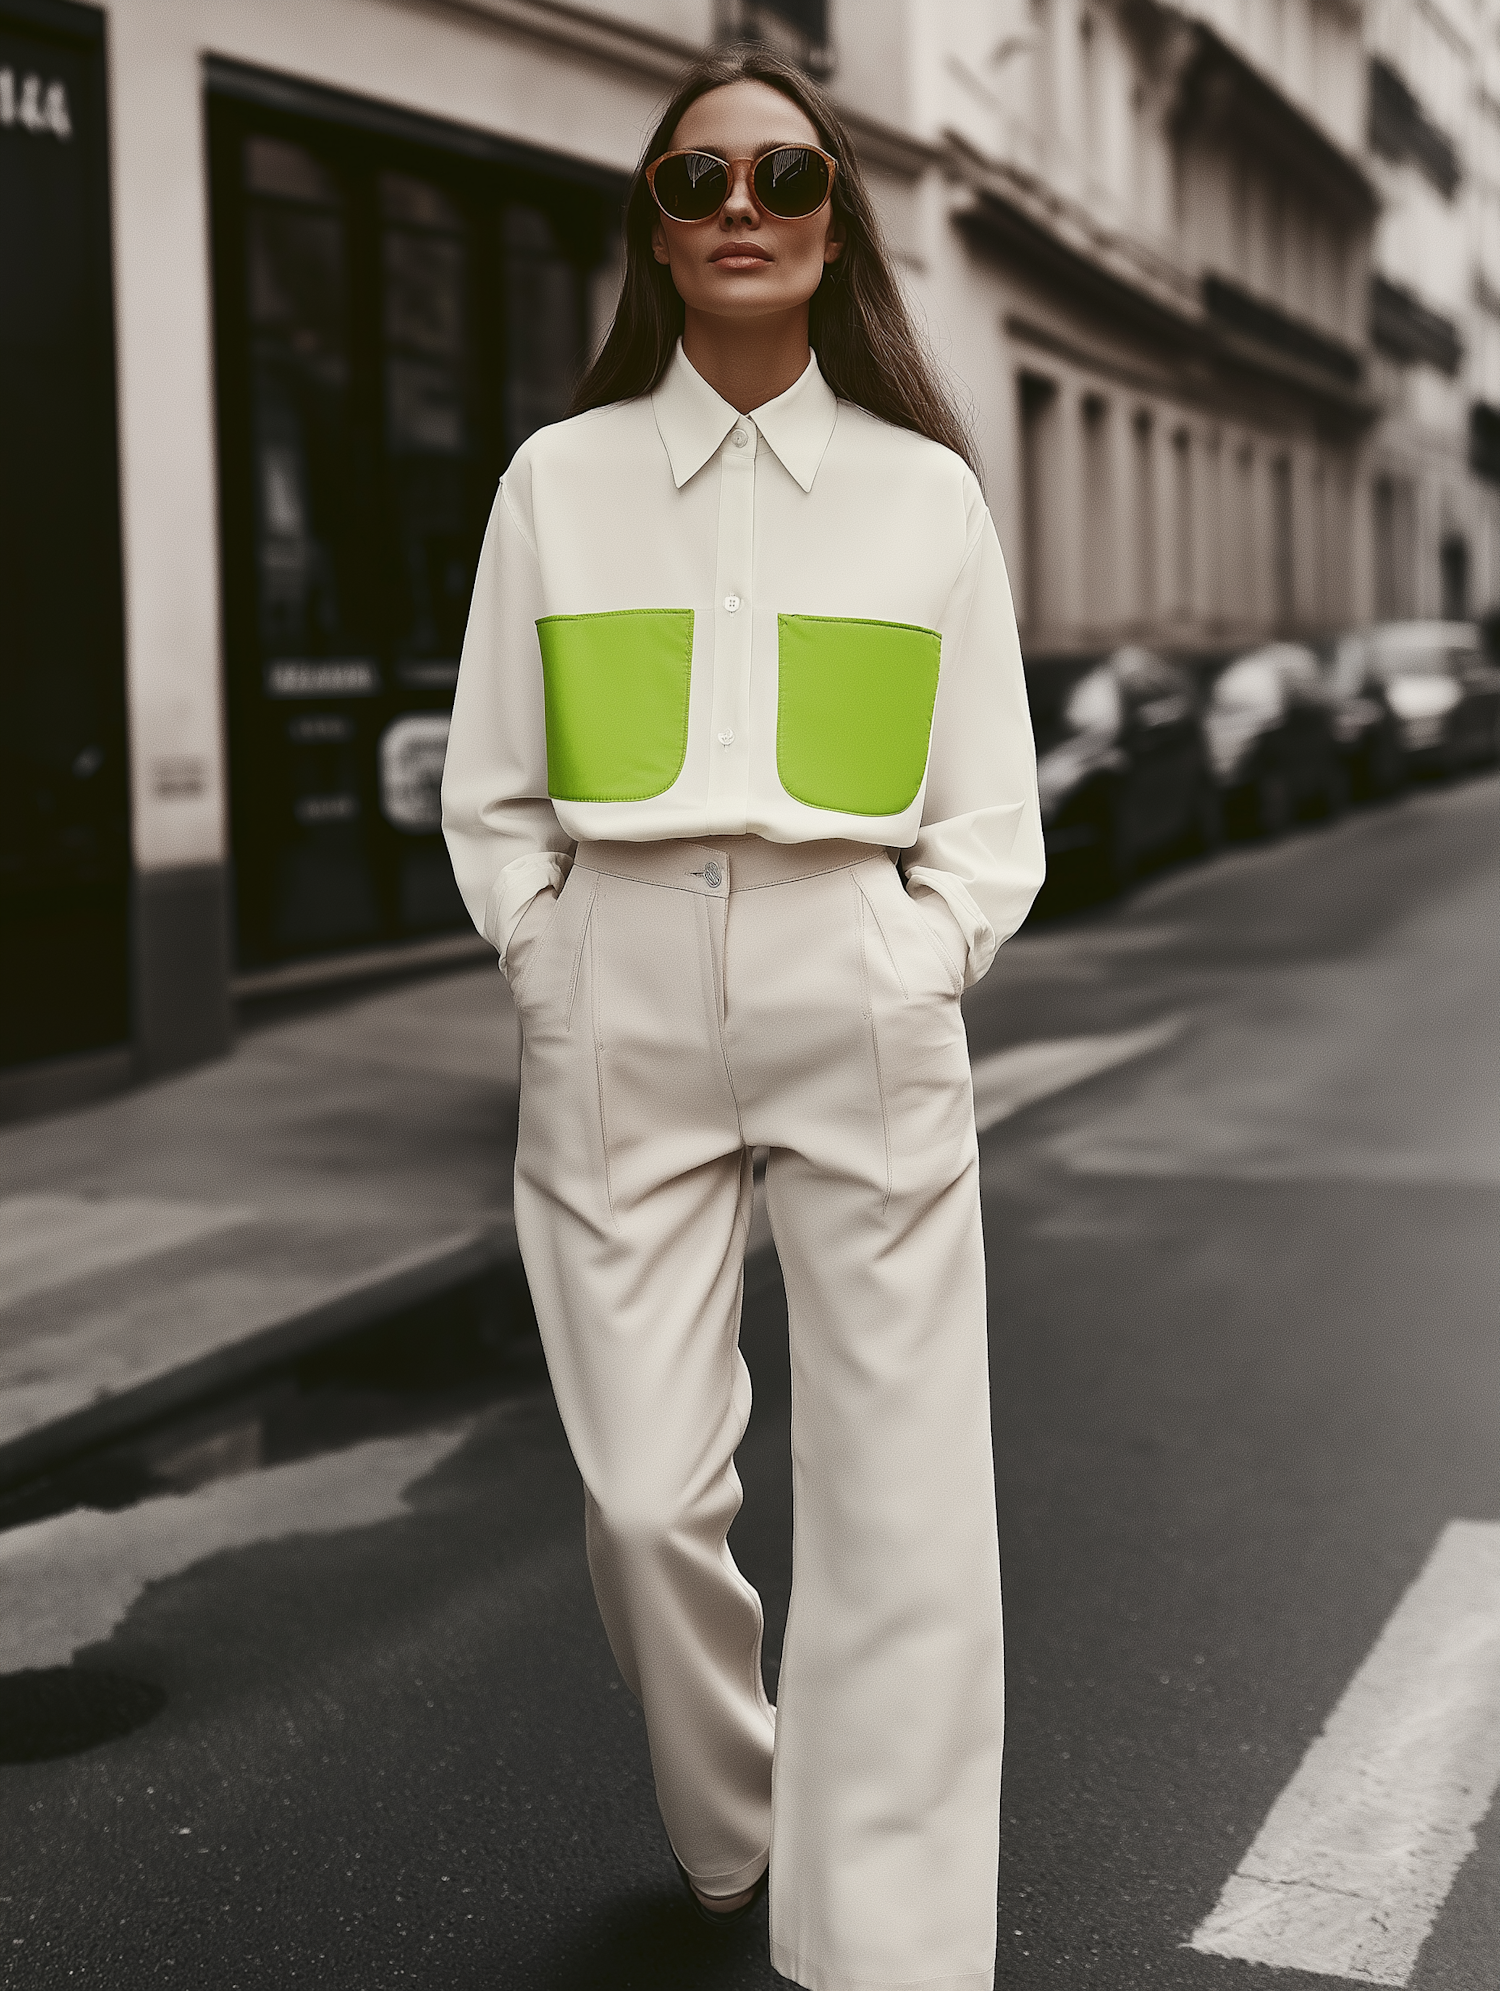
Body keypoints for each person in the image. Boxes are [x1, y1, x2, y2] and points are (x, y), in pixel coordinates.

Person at [442, 43, 1043, 1991]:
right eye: (698, 184)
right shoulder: (559, 481)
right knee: (637, 1497)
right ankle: (735, 1825)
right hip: (615, 986)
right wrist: (551, 958)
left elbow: (991, 819)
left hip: (850, 976)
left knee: (904, 1495)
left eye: (784, 179)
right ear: (655, 224)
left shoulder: (924, 495)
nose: (741, 214)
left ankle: (891, 1947)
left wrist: (912, 952)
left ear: (836, 215)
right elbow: (493, 788)